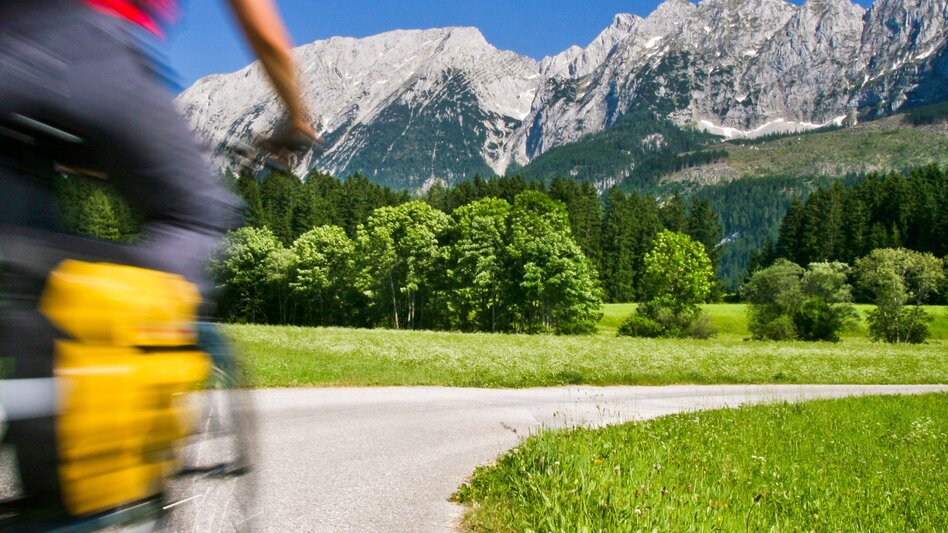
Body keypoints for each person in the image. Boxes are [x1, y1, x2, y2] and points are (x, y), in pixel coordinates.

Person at [0, 0, 315, 520]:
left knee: (27, 270)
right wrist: (296, 117)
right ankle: (118, 405)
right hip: (92, 51)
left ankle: (45, 492)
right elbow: (257, 20)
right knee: (199, 214)